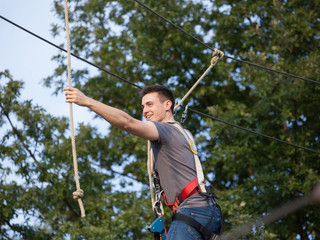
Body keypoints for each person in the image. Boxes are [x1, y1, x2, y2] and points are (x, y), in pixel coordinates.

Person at [64, 85, 222, 239]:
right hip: (204, 211)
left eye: (150, 104)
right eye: (143, 106)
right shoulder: (181, 132)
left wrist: (87, 101)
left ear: (167, 105)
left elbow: (128, 123)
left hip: (192, 210)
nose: (145, 111)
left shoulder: (166, 129)